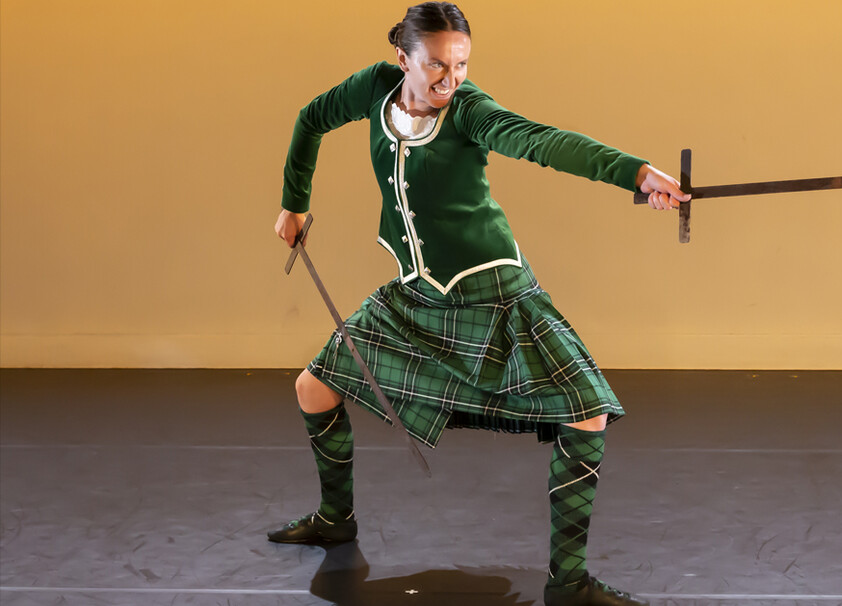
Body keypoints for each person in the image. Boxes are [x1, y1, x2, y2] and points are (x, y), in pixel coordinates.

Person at [268, 3, 688, 605]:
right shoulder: (372, 89)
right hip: (415, 294)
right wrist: (294, 202)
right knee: (315, 387)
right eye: (436, 65)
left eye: (461, 64)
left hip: (494, 293)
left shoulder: (469, 111)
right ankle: (336, 518)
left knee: (587, 412)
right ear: (403, 58)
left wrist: (637, 174)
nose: (450, 79)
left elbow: (541, 141)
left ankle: (568, 582)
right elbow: (310, 119)